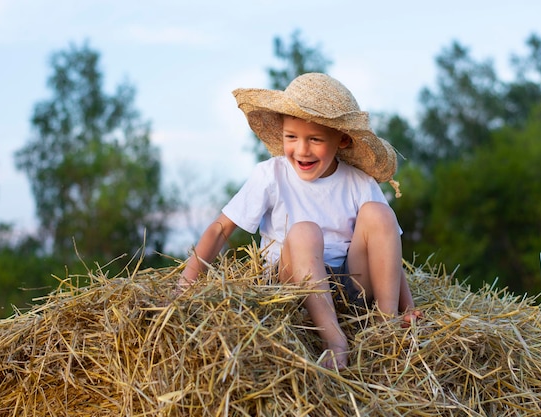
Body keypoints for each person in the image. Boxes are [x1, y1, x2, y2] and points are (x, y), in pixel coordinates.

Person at [178, 72, 420, 370]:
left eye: (315, 140)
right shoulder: (271, 175)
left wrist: (408, 307)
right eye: (291, 137)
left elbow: (387, 247)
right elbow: (220, 229)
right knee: (305, 231)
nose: (301, 150)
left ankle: (387, 326)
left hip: (352, 283)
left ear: (342, 139)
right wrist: (182, 289)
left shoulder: (360, 182)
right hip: (294, 284)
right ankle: (334, 341)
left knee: (379, 213)